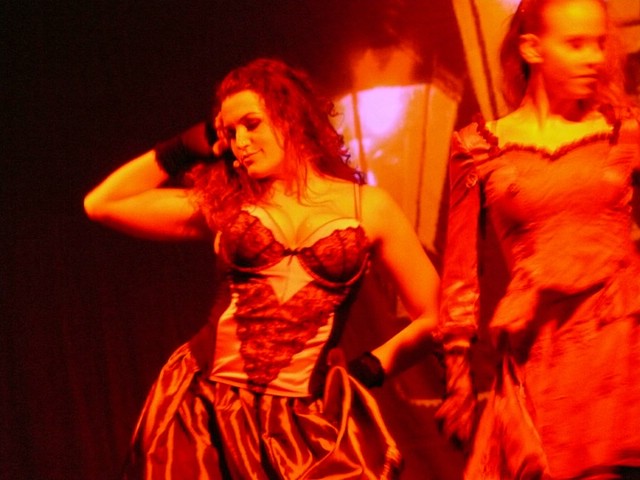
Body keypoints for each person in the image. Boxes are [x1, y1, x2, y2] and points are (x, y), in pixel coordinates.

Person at [84, 58, 440, 479]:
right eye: (230, 132)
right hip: (205, 413)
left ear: (292, 118)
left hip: (302, 423)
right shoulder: (227, 203)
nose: (240, 141)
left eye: (251, 124)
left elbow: (437, 314)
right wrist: (184, 145)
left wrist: (369, 369)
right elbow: (103, 203)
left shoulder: (371, 208)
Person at [435, 0, 640, 478]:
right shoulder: (479, 147)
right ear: (532, 48)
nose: (594, 58)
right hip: (542, 352)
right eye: (576, 44)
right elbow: (461, 275)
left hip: (620, 339)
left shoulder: (624, 131)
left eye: (599, 44)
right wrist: (458, 374)